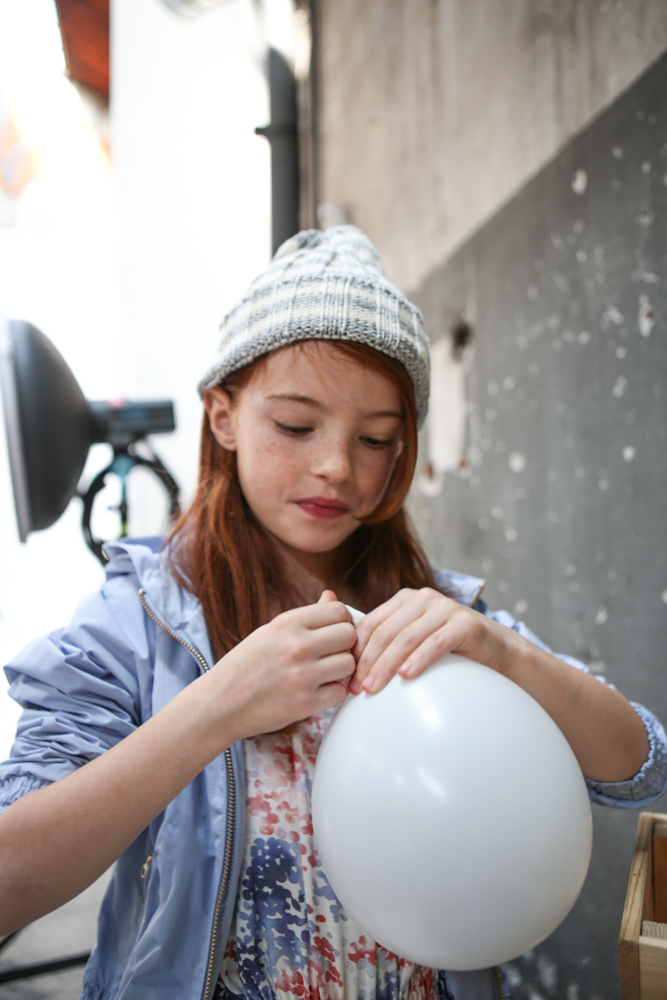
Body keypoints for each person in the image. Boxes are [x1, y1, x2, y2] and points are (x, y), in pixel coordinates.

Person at [0, 227, 665, 1000]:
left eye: (376, 438)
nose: (336, 467)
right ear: (222, 415)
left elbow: (642, 768)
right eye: (294, 425)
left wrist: (503, 653)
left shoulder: (438, 616)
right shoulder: (134, 623)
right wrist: (215, 708)